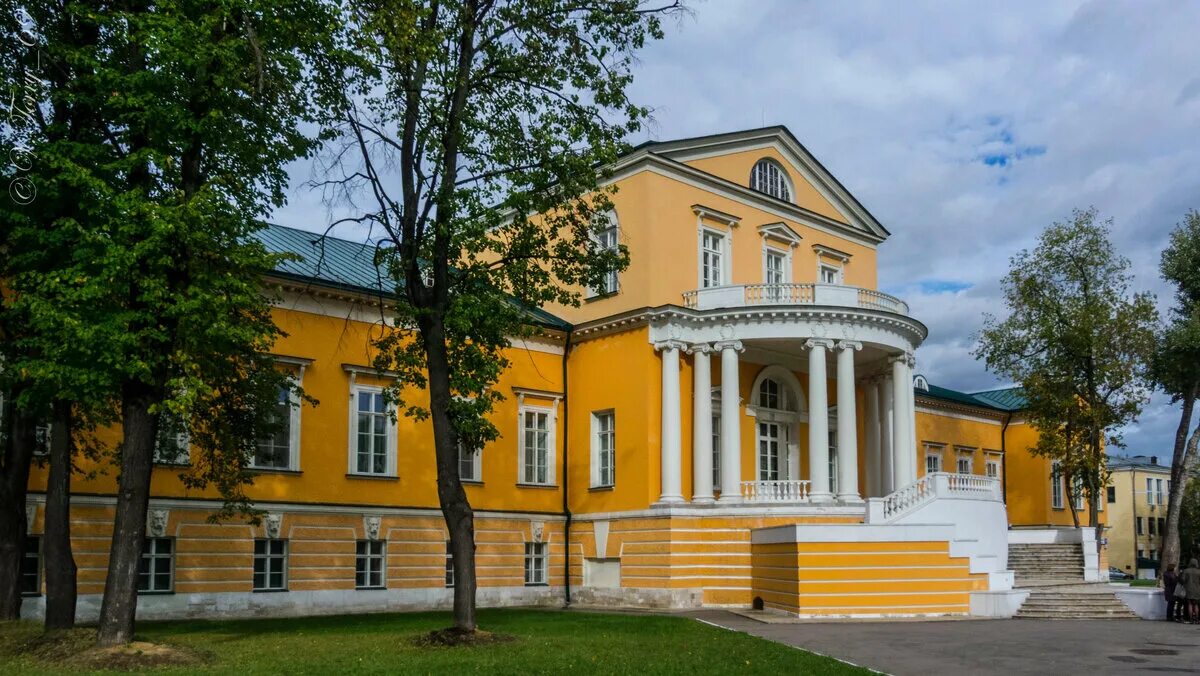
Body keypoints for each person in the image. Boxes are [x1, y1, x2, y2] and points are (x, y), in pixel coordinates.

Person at [1181, 558, 1200, 623]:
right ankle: (1197, 619)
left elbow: (1183, 580)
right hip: (1197, 590)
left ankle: (1191, 618)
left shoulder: (1186, 571)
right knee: (1196, 605)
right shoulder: (1199, 571)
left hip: (1188, 589)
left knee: (1190, 604)